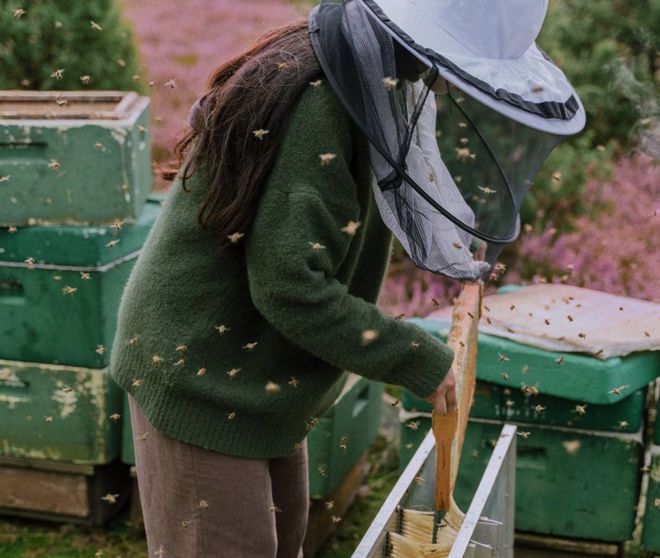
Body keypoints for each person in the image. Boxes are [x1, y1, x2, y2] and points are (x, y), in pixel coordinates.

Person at [109, 13, 457, 558]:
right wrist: (416, 358)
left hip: (259, 379)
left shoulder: (364, 80)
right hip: (203, 370)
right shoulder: (323, 100)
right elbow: (291, 287)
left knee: (283, 539)